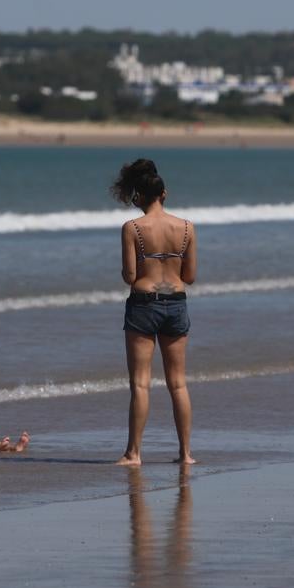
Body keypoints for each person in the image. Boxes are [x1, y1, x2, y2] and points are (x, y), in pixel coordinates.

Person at [112, 159, 197, 466]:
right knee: (178, 383)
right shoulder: (186, 227)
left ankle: (134, 453)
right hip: (176, 302)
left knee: (140, 383)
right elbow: (190, 276)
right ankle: (186, 454)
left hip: (144, 305)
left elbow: (130, 276)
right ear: (164, 193)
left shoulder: (132, 228)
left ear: (138, 197)